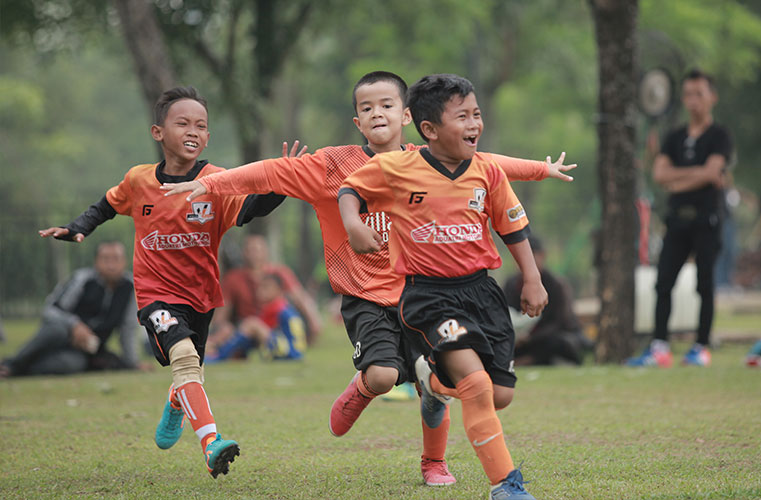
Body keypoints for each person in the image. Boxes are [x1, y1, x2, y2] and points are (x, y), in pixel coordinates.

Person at [161, 70, 575, 488]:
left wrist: (541, 169)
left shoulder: (428, 157)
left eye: (387, 105)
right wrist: (209, 183)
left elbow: (488, 165)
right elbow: (268, 172)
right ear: (358, 121)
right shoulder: (331, 165)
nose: (378, 113)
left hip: (420, 291)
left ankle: (434, 461)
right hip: (364, 296)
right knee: (383, 376)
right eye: (367, 107)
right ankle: (364, 389)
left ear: (408, 117)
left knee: (440, 383)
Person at [38, 86, 287, 478]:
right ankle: (211, 443)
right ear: (158, 132)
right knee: (184, 357)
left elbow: (252, 208)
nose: (193, 131)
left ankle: (175, 402)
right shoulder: (138, 180)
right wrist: (78, 227)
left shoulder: (216, 180)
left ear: (208, 137)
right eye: (183, 123)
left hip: (201, 296)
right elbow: (106, 205)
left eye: (201, 126)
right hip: (156, 295)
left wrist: (282, 182)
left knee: (190, 371)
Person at [339, 73, 546, 500]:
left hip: (482, 294)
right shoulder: (396, 168)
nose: (474, 124)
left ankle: (432, 386)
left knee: (500, 394)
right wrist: (354, 225)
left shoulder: (487, 172)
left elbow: (512, 227)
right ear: (429, 129)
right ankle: (505, 485)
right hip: (429, 297)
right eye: (462, 117)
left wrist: (532, 277)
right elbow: (350, 189)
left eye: (476, 114)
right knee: (477, 385)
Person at [628, 69, 733, 368]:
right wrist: (700, 175)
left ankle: (701, 346)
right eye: (688, 94)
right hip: (677, 220)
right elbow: (661, 174)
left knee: (705, 283)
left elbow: (712, 172)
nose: (693, 100)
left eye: (699, 94)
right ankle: (659, 346)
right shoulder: (674, 137)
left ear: (712, 97)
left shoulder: (720, 136)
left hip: (707, 219)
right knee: (663, 282)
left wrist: (678, 179)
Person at [0, 241, 143, 377]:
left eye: (116, 259)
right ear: (96, 262)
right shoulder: (82, 279)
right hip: (61, 333)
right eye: (105, 259)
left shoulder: (130, 288)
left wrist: (132, 363)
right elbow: (50, 309)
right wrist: (74, 325)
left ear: (124, 262)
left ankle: (19, 371)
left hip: (84, 349)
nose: (111, 265)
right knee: (56, 330)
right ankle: (11, 364)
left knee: (72, 365)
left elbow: (128, 328)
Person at [213, 234, 322, 347]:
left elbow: (300, 297)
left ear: (266, 252)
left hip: (276, 326)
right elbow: (221, 314)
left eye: (257, 250)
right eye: (250, 250)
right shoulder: (232, 278)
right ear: (243, 253)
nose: (254, 254)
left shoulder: (280, 272)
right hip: (246, 328)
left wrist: (313, 321)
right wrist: (221, 329)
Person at [504, 235, 593, 366]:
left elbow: (561, 321)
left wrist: (531, 337)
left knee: (557, 342)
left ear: (542, 256)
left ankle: (527, 361)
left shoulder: (555, 284)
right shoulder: (511, 284)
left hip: (549, 336)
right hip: (521, 339)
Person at [206, 271, 306, 362]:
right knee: (231, 330)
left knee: (252, 324)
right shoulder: (276, 307)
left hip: (291, 352)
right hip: (285, 349)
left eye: (266, 287)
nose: (260, 291)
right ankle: (223, 351)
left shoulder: (280, 309)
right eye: (260, 287)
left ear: (278, 290)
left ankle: (221, 356)